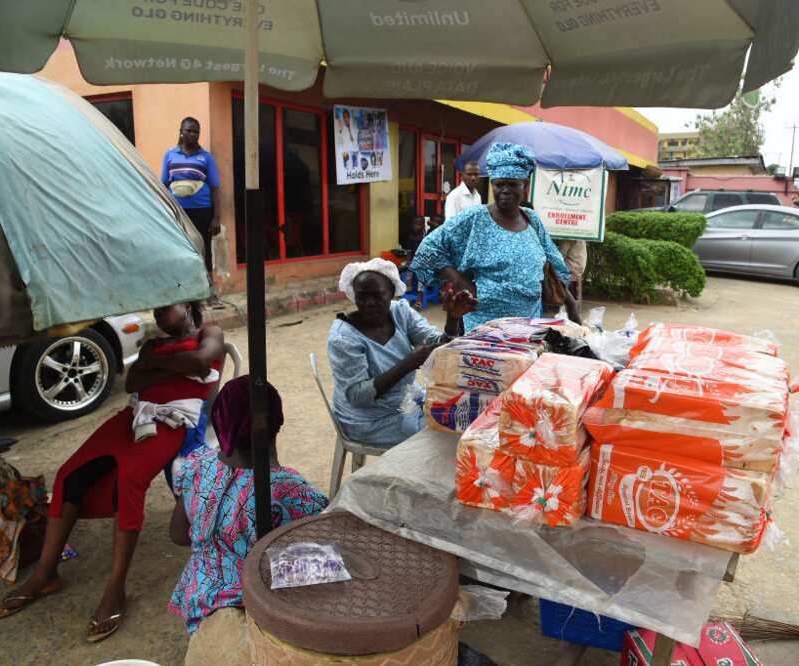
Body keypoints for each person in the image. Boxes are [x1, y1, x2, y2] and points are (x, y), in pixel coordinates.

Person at [0, 304, 225, 642]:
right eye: (156, 311)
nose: (159, 316)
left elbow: (202, 362)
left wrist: (155, 364)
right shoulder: (150, 344)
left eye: (166, 309)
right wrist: (168, 366)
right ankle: (45, 572)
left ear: (187, 305)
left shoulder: (209, 334)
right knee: (71, 474)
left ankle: (116, 588)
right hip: (136, 417)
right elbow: (133, 381)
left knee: (130, 479)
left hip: (174, 422)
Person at [169, 375, 327, 663]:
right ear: (278, 422)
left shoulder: (196, 465)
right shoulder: (292, 492)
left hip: (198, 598)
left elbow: (179, 535)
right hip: (253, 608)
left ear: (218, 422)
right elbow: (311, 571)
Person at [411, 142, 581, 331]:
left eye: (513, 184)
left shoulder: (531, 219)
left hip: (529, 325)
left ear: (525, 184)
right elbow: (429, 249)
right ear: (492, 184)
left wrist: (571, 304)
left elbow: (553, 266)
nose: (505, 190)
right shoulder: (475, 217)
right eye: (499, 184)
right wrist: (460, 282)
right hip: (485, 325)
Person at [328, 258, 460, 447]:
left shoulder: (400, 312)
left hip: (403, 401)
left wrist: (453, 319)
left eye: (377, 295)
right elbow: (357, 397)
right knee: (445, 434)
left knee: (462, 412)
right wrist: (407, 364)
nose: (369, 303)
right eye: (362, 296)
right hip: (367, 420)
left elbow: (438, 343)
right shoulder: (344, 338)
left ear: (392, 293)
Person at [162, 118, 222, 287]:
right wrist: (165, 211)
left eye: (196, 132)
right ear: (181, 131)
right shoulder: (170, 155)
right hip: (178, 211)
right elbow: (164, 184)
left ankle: (209, 290)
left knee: (203, 249)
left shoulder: (206, 157)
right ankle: (184, 288)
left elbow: (215, 188)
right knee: (179, 248)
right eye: (189, 130)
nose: (192, 134)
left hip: (202, 210)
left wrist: (216, 217)